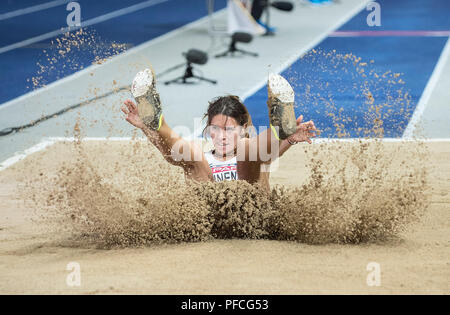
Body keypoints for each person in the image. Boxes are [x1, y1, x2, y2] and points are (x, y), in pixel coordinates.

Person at [121, 66, 316, 191]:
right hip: (210, 216)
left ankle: (280, 129)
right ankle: (158, 122)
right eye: (216, 129)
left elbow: (270, 153)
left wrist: (288, 138)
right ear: (208, 129)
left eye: (229, 130)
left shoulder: (252, 152)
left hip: (252, 214)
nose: (222, 136)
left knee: (248, 150)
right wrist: (147, 128)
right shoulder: (202, 160)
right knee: (192, 153)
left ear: (243, 128)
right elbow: (168, 152)